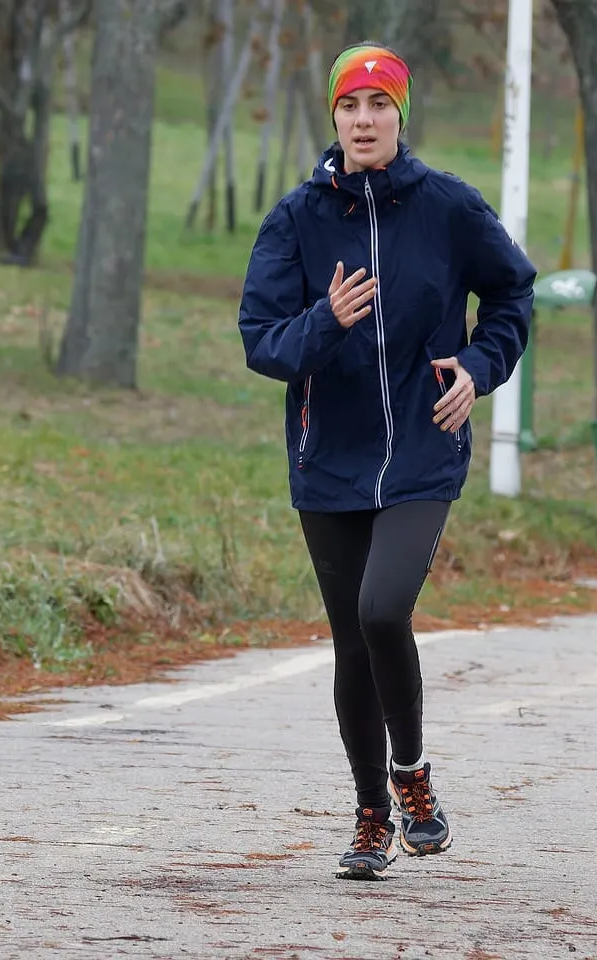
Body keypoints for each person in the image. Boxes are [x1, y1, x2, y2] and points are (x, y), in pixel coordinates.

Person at [237, 42, 536, 880]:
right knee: (350, 640)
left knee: (381, 610)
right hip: (327, 459)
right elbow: (261, 341)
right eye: (349, 105)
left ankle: (411, 773)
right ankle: (372, 814)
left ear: (401, 115)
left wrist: (477, 367)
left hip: (422, 446)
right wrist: (326, 320)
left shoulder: (448, 208)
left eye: (379, 105)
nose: (364, 121)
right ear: (332, 116)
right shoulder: (296, 220)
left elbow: (512, 292)